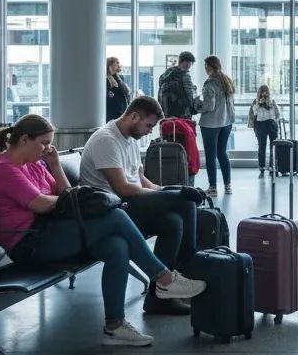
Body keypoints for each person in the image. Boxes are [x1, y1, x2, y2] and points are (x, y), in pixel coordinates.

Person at [0, 114, 206, 347]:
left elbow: (65, 193)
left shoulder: (34, 164)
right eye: (43, 142)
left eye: (50, 143)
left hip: (49, 231)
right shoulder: (4, 170)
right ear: (24, 140)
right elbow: (40, 204)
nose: (47, 148)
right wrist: (72, 201)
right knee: (115, 217)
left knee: (116, 246)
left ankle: (115, 325)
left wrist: (55, 166)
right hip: (29, 244)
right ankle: (164, 278)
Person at [81, 96, 205, 316]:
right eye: (148, 125)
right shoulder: (106, 139)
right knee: (184, 202)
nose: (149, 131)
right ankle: (189, 266)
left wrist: (167, 189)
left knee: (172, 222)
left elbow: (140, 181)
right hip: (111, 212)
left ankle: (158, 299)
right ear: (134, 117)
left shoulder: (130, 139)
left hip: (128, 206)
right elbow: (123, 189)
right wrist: (173, 195)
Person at [199, 55, 236, 196]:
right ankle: (228, 186)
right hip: (226, 122)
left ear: (210, 67)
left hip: (211, 124)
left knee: (210, 156)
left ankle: (213, 188)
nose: (204, 69)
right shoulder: (227, 81)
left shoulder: (210, 83)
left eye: (205, 66)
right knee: (222, 153)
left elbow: (209, 106)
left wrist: (197, 105)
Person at [248, 84, 281, 177]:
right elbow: (254, 113)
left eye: (266, 91)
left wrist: (274, 121)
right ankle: (262, 167)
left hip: (271, 123)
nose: (264, 93)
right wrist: (259, 104)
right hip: (260, 124)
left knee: (273, 146)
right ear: (259, 92)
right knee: (262, 146)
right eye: (262, 91)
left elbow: (277, 114)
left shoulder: (272, 101)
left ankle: (272, 167)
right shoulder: (256, 102)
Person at [157, 50, 200, 120]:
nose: (190, 65)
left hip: (167, 112)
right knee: (182, 127)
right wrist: (194, 107)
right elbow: (189, 94)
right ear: (185, 62)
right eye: (190, 63)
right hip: (183, 112)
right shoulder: (185, 76)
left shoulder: (167, 73)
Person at [105, 56, 131, 122]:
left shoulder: (120, 78)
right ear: (110, 65)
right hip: (110, 109)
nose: (119, 65)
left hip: (121, 109)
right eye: (117, 63)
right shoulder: (104, 77)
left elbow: (124, 92)